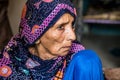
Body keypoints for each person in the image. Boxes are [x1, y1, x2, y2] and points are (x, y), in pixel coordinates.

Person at [0, 0, 104, 80]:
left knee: (88, 60)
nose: (73, 36)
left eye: (72, 25)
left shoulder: (81, 61)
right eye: (60, 27)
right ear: (36, 35)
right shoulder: (9, 62)